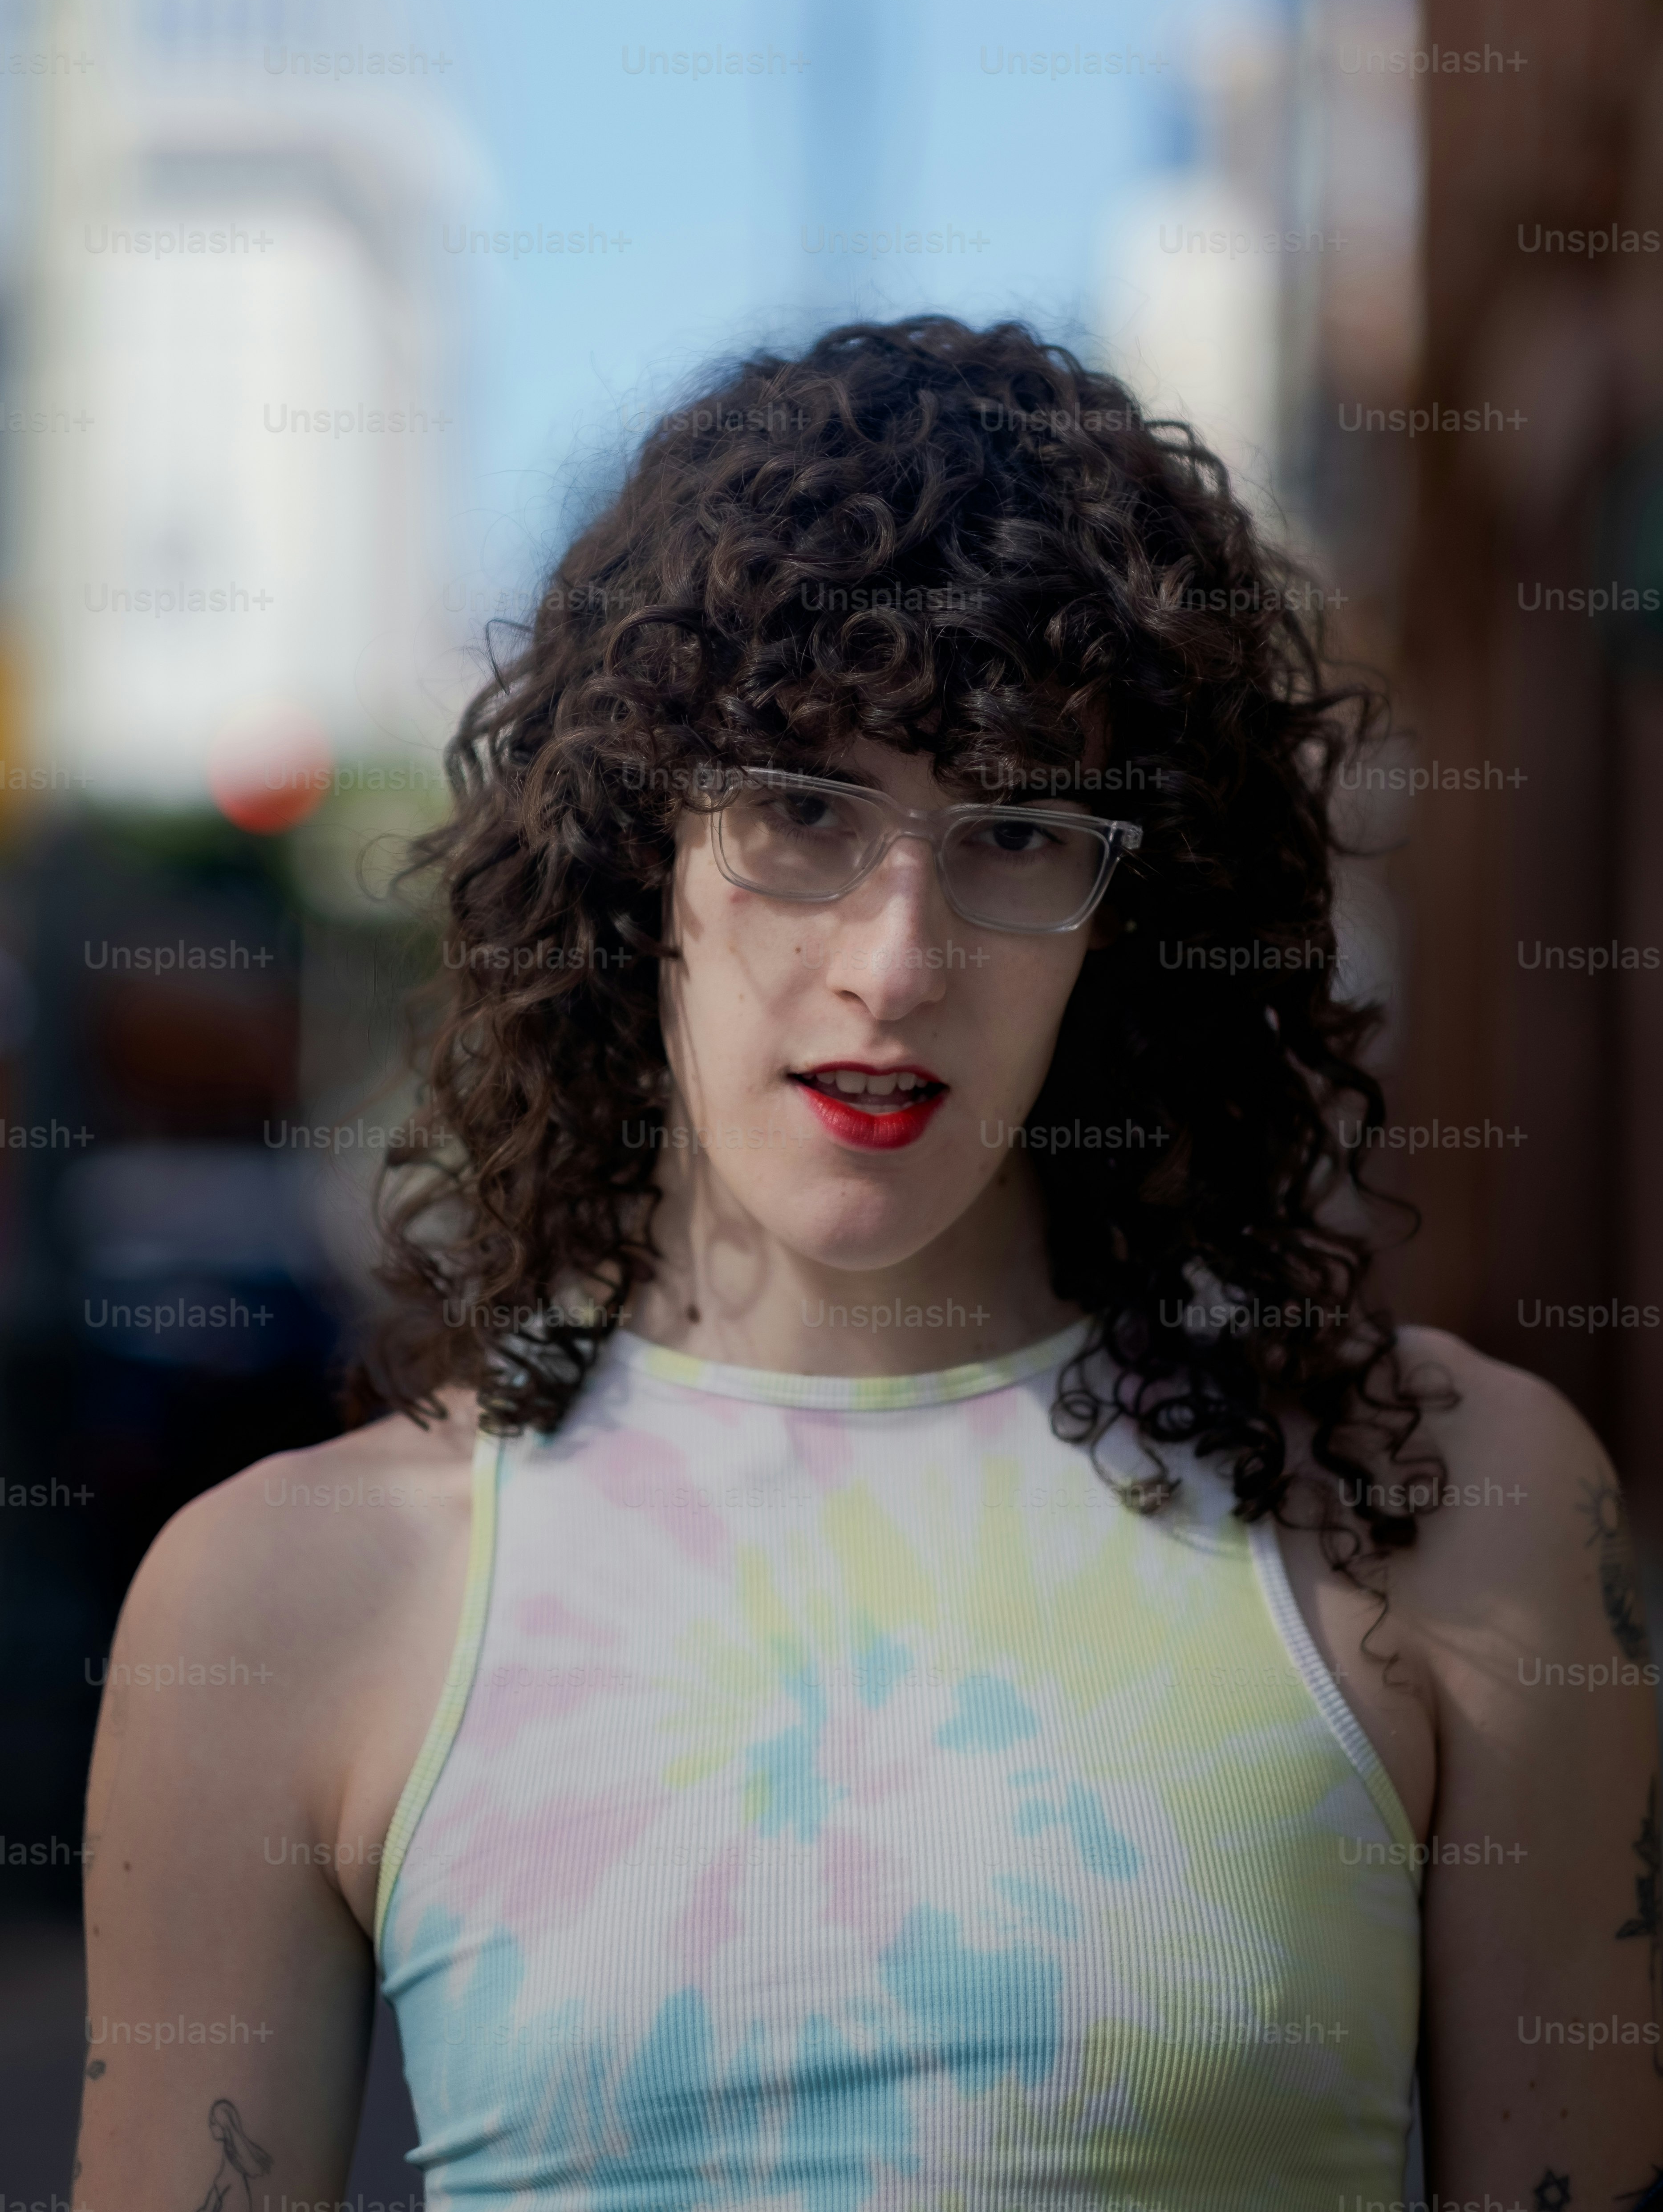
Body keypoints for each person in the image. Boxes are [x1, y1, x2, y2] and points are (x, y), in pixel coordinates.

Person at [76, 318, 1661, 2210]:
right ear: (627, 852)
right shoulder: (288, 1595)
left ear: (1128, 919)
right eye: (800, 811)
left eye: (1013, 831)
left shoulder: (1453, 1512)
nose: (895, 961)